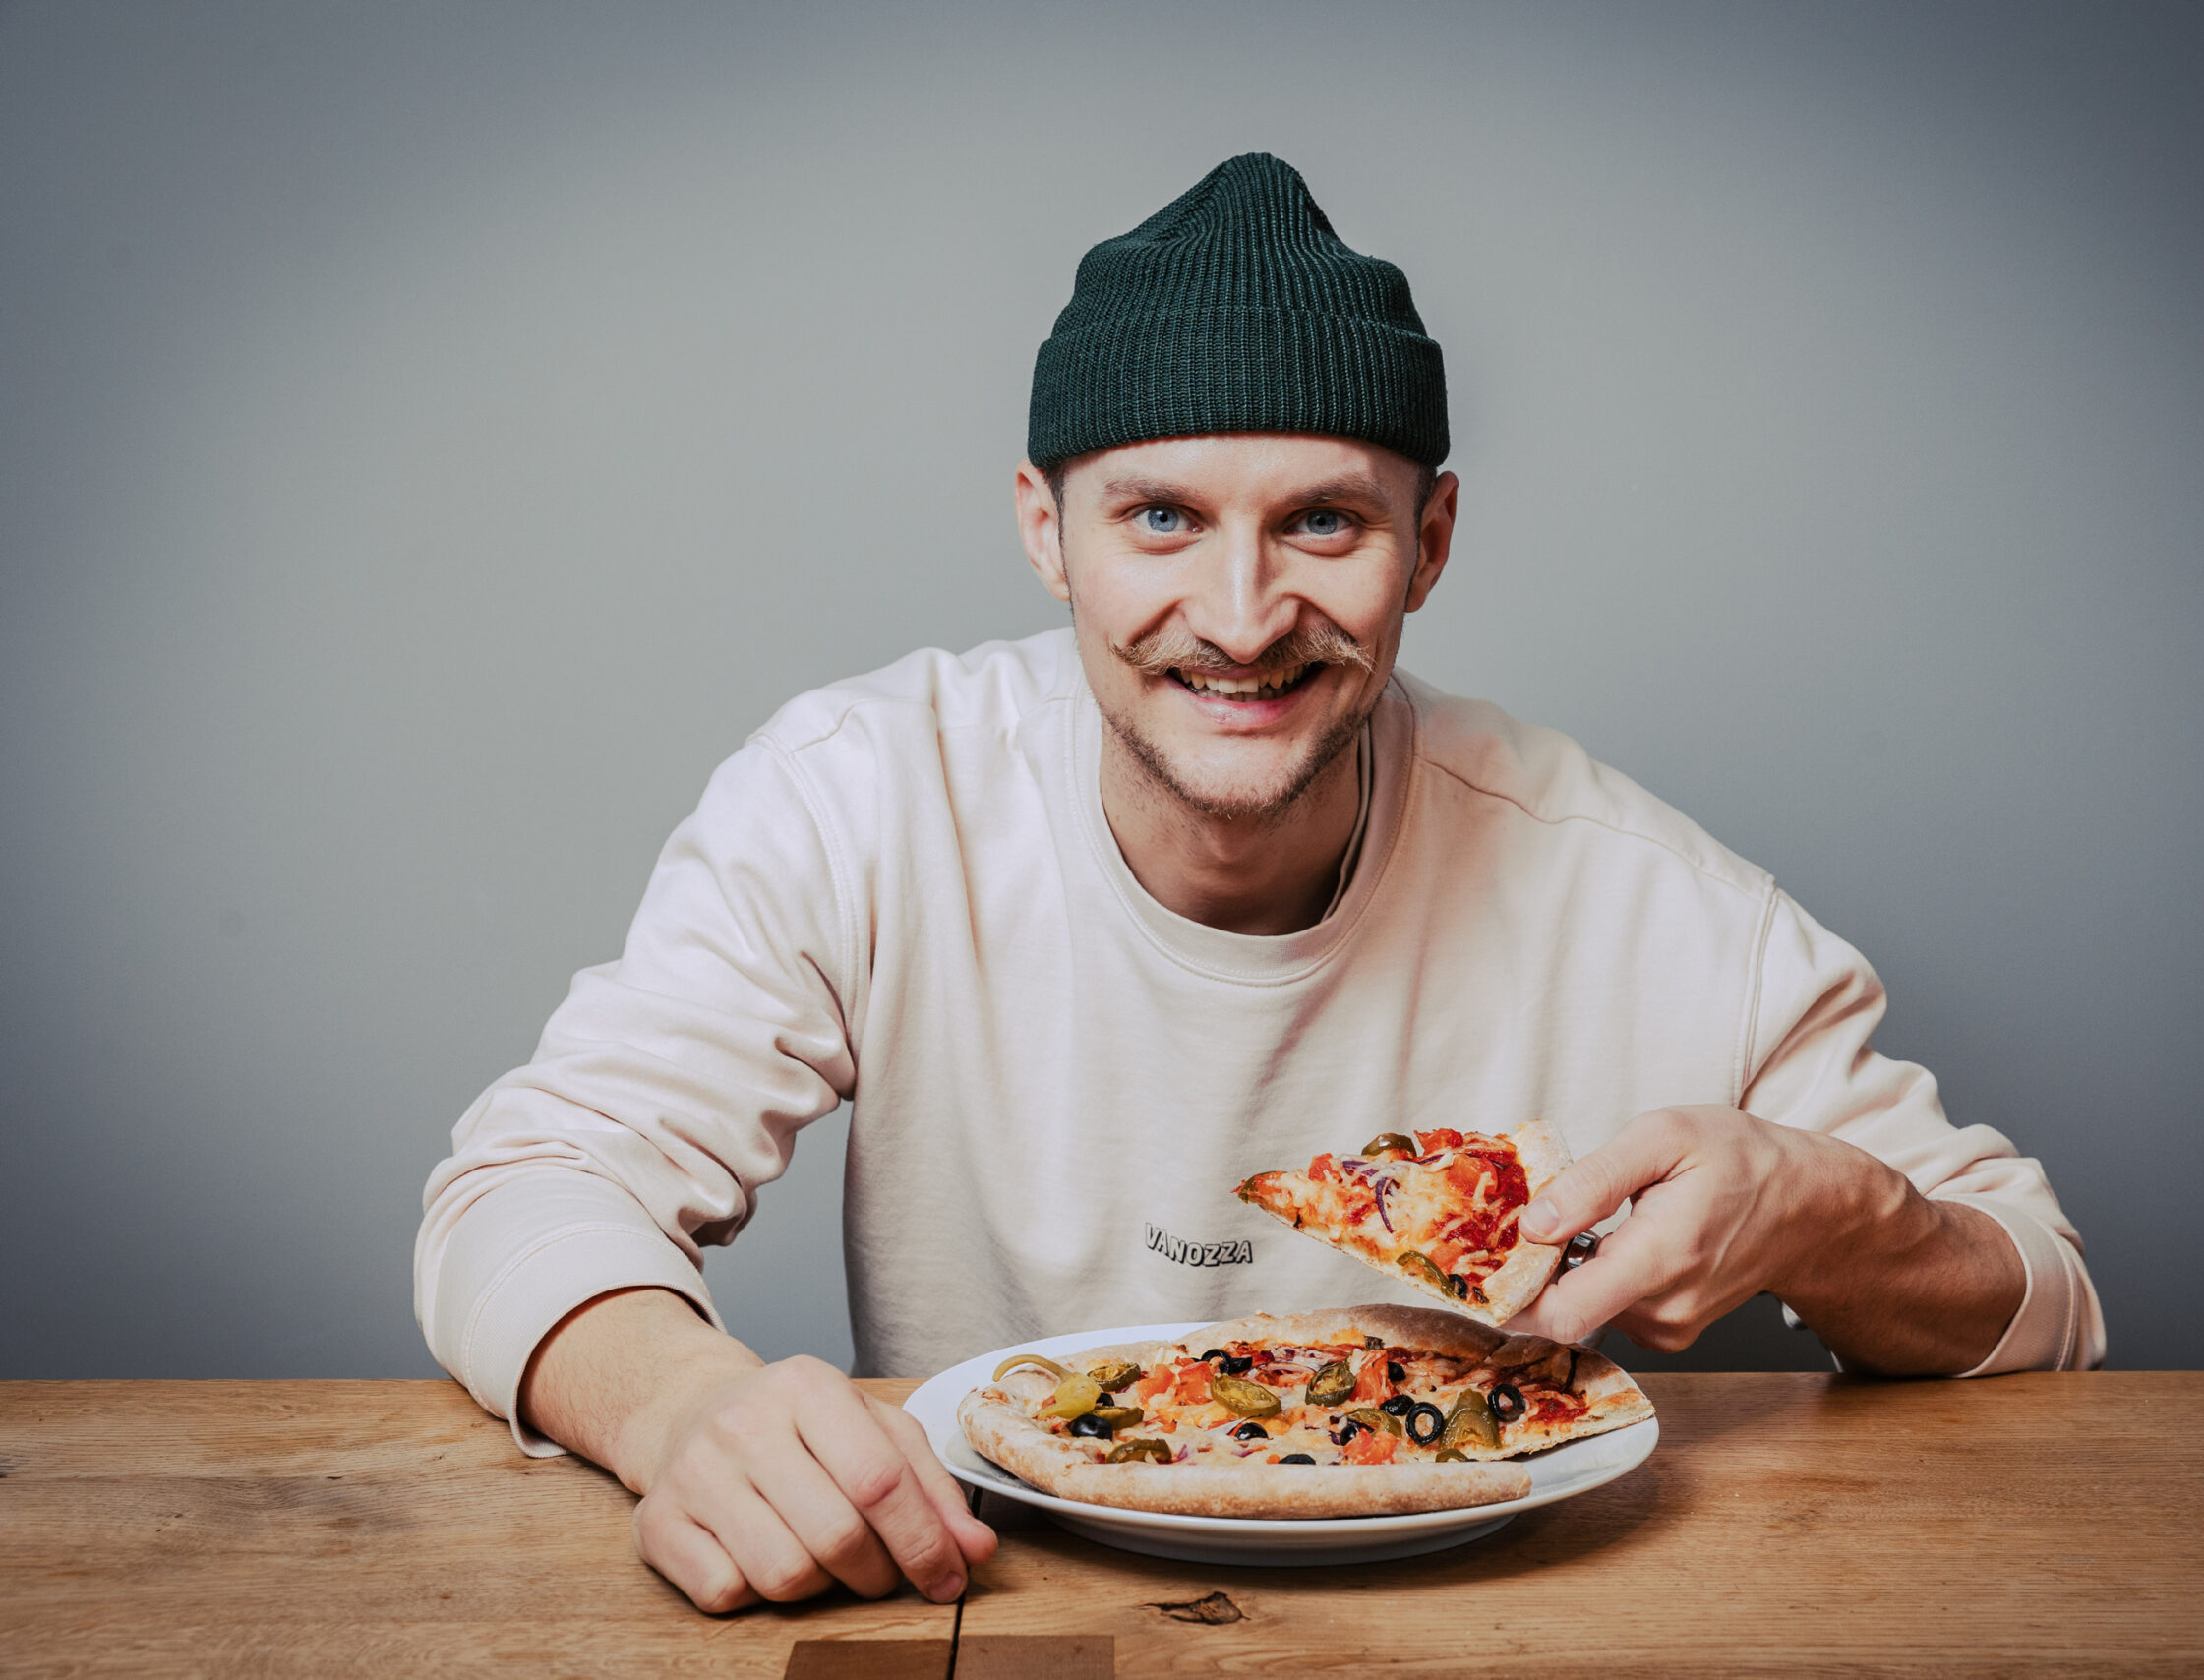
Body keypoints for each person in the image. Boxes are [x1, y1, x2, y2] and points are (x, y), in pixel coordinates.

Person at [415, 153, 2104, 1613]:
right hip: (987, 1606)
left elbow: (2044, 1300)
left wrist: (1828, 1210)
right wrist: (679, 1406)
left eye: (1322, 524)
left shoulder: (1633, 888)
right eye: (1159, 517)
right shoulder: (864, 795)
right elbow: (522, 1183)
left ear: (1430, 542)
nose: (1237, 615)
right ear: (1042, 527)